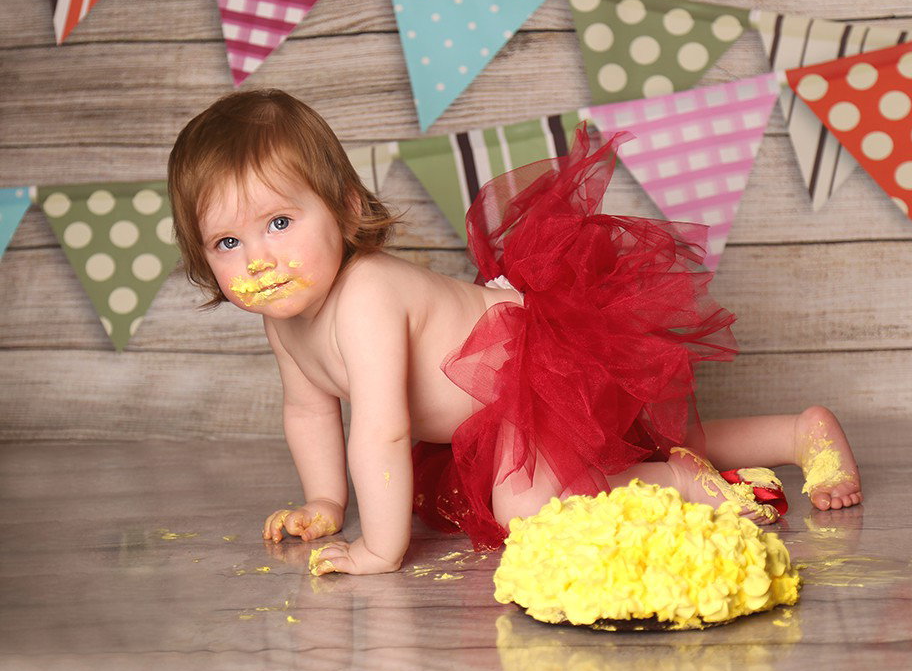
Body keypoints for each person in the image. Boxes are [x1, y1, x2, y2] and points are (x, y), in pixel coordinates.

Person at [167, 89, 863, 575]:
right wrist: (326, 503)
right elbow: (308, 411)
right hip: (493, 412)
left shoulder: (365, 296)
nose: (258, 259)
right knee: (629, 442)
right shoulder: (287, 326)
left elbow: (380, 431)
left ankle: (683, 481)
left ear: (346, 211)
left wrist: (380, 548)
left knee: (528, 505)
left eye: (279, 223)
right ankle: (793, 434)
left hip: (537, 358)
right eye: (228, 242)